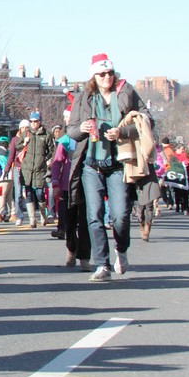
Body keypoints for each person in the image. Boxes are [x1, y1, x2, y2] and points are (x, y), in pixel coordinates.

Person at [66, 53, 151, 282]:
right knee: (94, 216)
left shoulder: (126, 92)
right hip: (91, 165)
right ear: (93, 76)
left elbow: (146, 119)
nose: (107, 77)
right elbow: (71, 130)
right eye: (102, 74)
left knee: (121, 216)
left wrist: (122, 132)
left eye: (110, 73)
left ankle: (121, 251)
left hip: (119, 164)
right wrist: (82, 128)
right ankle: (101, 264)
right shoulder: (84, 98)